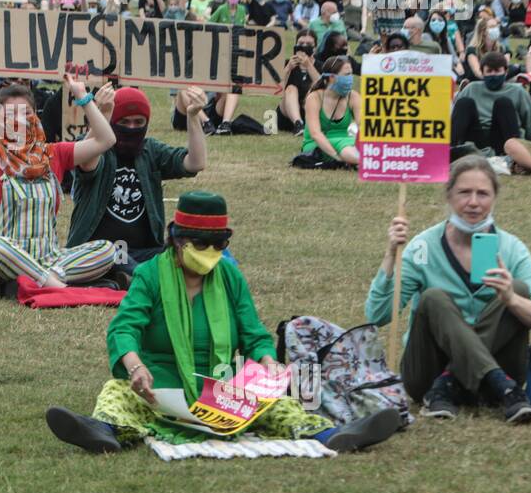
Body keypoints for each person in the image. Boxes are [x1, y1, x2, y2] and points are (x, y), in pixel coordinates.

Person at [46, 191, 401, 453]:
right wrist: (136, 367)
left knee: (280, 405)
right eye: (202, 244)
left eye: (219, 245)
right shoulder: (150, 276)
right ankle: (102, 431)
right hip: (161, 386)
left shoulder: (229, 276)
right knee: (117, 393)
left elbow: (254, 332)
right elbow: (124, 328)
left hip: (223, 389)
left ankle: (333, 435)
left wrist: (268, 363)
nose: (211, 253)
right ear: (177, 241)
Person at [367, 156, 531, 423]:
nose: (473, 202)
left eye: (483, 194)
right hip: (430, 377)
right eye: (464, 192)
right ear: (449, 196)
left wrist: (510, 298)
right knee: (434, 299)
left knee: (519, 290)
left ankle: (451, 382)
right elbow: (377, 315)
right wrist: (390, 254)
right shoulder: (423, 248)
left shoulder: (512, 249)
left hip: (498, 373)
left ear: (494, 198)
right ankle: (493, 385)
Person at [0, 68, 120, 294]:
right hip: (2, 261)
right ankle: (59, 287)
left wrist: (81, 95)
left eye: (25, 113)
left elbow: (106, 139)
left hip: (49, 259)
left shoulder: (54, 154)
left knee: (108, 249)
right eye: (9, 114)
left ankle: (43, 281)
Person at [67, 85, 207, 275]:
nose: (132, 128)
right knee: (112, 255)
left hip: (144, 253)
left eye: (138, 122)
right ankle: (144, 277)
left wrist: (193, 116)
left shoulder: (151, 151)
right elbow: (86, 162)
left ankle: (135, 276)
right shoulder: (96, 148)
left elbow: (195, 163)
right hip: (96, 252)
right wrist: (104, 114)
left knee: (184, 255)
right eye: (124, 122)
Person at [450, 51, 531, 159]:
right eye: (489, 71)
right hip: (477, 137)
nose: (493, 75)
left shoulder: (518, 91)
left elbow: (530, 123)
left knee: (503, 103)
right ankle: (448, 150)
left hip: (503, 139)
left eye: (497, 71)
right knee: (464, 103)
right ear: (482, 72)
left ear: (505, 71)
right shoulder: (472, 88)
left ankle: (514, 156)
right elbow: (456, 117)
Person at [296, 56, 360, 168]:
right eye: (346, 75)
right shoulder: (314, 97)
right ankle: (367, 163)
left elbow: (364, 125)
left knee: (353, 146)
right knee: (346, 150)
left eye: (351, 74)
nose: (350, 78)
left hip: (346, 141)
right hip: (317, 145)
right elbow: (315, 134)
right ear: (331, 78)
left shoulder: (353, 96)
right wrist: (337, 157)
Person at [276, 29, 319, 134]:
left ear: (315, 48)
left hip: (310, 111)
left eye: (308, 44)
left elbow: (324, 87)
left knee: (315, 87)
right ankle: (298, 124)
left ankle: (304, 124)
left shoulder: (320, 65)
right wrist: (288, 68)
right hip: (286, 111)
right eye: (301, 43)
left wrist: (309, 66)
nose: (304, 46)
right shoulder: (287, 63)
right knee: (291, 88)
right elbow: (276, 90)